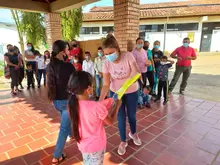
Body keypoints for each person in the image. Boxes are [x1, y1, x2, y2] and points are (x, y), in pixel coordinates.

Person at [99, 35, 141, 156]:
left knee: (132, 115)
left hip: (132, 91)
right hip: (116, 93)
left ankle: (133, 133)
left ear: (117, 48)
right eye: (106, 53)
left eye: (111, 53)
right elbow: (106, 84)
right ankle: (123, 141)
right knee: (121, 116)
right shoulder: (106, 63)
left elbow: (136, 72)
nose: (108, 56)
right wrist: (101, 100)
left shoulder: (127, 56)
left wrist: (125, 86)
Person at [68, 71, 121, 165]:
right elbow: (110, 122)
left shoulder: (72, 105)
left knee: (88, 162)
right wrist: (117, 106)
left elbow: (90, 111)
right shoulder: (95, 107)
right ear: (88, 89)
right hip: (96, 146)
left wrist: (105, 104)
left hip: (83, 144)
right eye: (92, 86)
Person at [47, 40, 76, 165]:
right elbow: (76, 82)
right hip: (66, 102)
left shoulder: (50, 66)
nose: (69, 52)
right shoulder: (68, 66)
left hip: (55, 102)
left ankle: (71, 134)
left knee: (65, 121)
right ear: (62, 52)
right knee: (63, 128)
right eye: (67, 49)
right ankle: (57, 156)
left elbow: (49, 85)